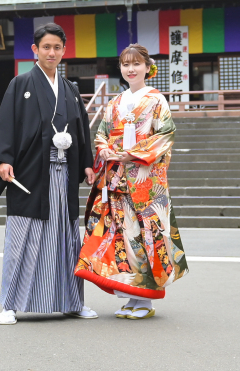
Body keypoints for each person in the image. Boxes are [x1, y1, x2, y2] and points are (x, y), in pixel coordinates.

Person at [0, 23, 97, 325]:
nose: (52, 52)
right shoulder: (21, 84)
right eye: (46, 47)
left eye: (57, 47)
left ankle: (73, 302)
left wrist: (87, 163)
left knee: (67, 237)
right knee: (24, 235)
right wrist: (2, 160)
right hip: (32, 173)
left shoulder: (70, 90)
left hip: (64, 176)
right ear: (35, 50)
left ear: (63, 50)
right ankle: (9, 304)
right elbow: (7, 123)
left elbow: (82, 130)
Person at [74, 43, 188, 319]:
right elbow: (101, 133)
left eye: (136, 64)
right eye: (126, 64)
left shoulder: (156, 100)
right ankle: (130, 296)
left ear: (147, 68)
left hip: (143, 181)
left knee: (143, 236)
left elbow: (164, 136)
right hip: (116, 178)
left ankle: (145, 301)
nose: (131, 69)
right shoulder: (115, 101)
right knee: (122, 238)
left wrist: (131, 154)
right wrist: (105, 151)